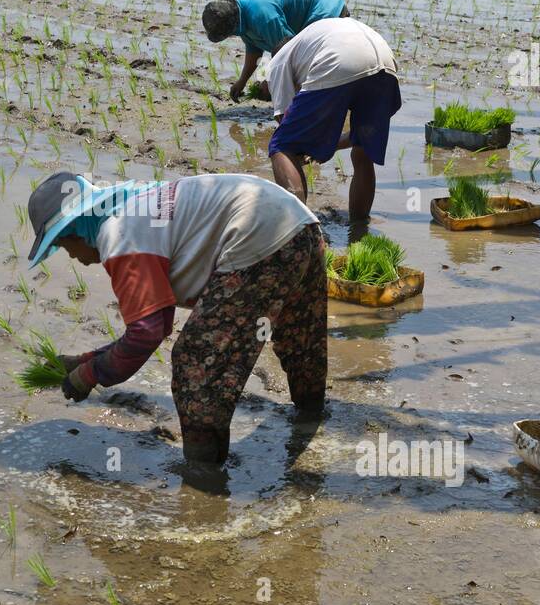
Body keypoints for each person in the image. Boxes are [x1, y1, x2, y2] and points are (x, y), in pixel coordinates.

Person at [26, 170, 327, 465]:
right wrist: (86, 359)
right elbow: (157, 321)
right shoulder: (133, 201)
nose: (72, 256)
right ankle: (311, 417)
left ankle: (203, 476)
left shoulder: (119, 237)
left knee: (195, 360)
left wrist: (88, 376)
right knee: (300, 333)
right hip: (299, 224)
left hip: (257, 236)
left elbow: (146, 333)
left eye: (64, 245)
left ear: (75, 230)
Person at [264, 17, 401, 231]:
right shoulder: (310, 43)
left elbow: (285, 124)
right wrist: (325, 144)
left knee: (282, 146)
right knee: (362, 150)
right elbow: (356, 135)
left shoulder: (278, 62)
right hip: (385, 62)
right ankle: (358, 229)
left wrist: (300, 153)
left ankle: (299, 231)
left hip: (341, 59)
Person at [201, 0, 350, 103]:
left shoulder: (262, 16)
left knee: (306, 69)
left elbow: (288, 50)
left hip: (327, 13)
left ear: (230, 29)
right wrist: (242, 81)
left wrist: (269, 82)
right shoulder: (239, 13)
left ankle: (306, 111)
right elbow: (254, 50)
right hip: (309, 20)